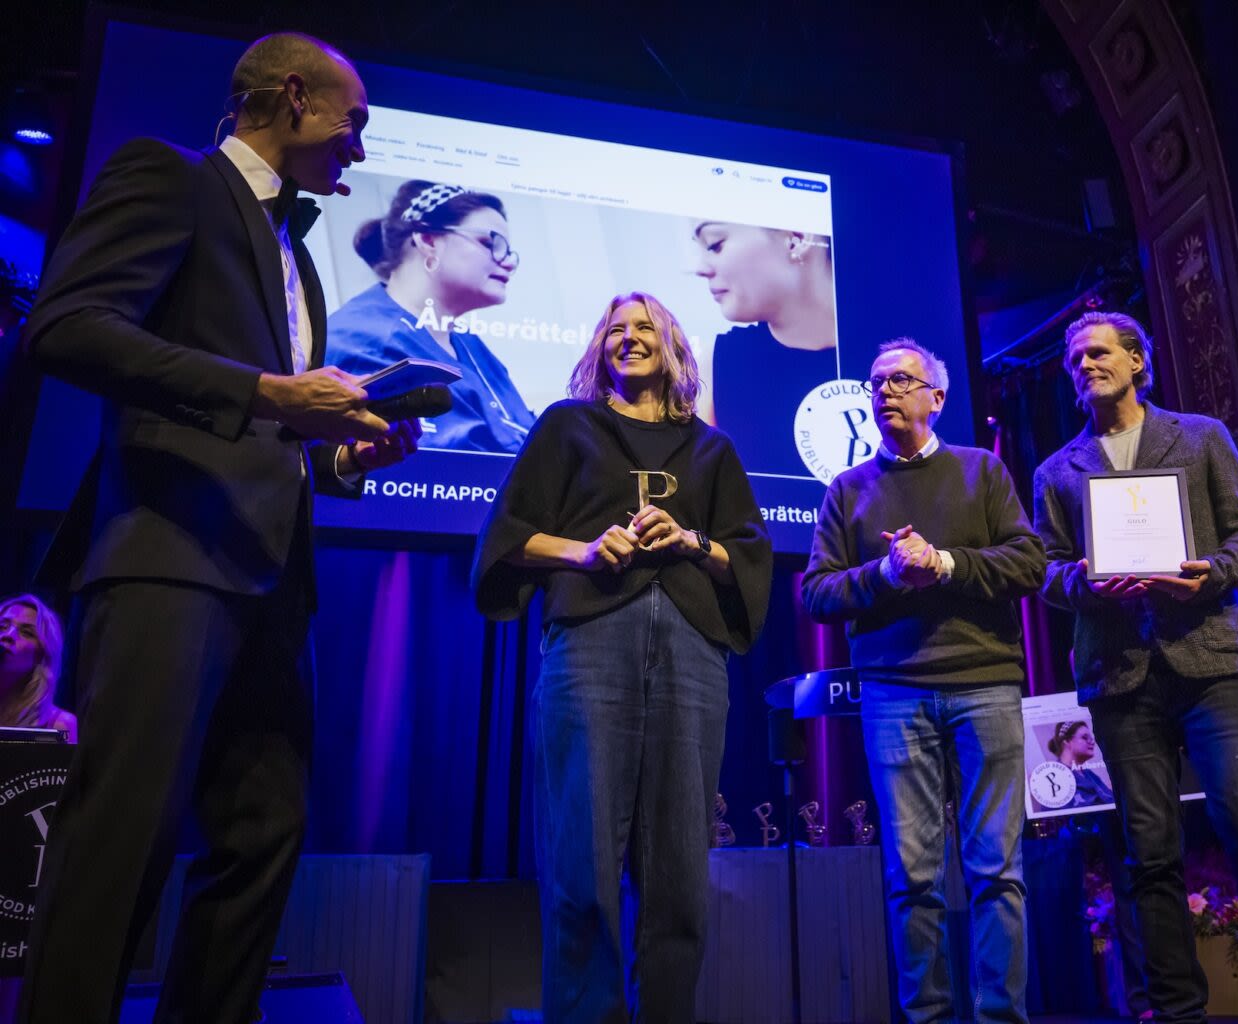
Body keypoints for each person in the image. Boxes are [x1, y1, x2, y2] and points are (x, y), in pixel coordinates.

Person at [19, 33, 421, 1023]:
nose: (359, 154)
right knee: (123, 834)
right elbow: (66, 325)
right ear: (292, 97)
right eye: (353, 125)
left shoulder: (302, 260)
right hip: (168, 556)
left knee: (262, 835)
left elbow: (271, 429)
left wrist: (341, 457)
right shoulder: (172, 178)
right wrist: (269, 390)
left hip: (272, 579)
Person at [472, 291, 772, 1023]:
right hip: (591, 648)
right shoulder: (567, 426)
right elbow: (508, 535)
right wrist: (584, 549)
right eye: (616, 329)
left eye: (646, 329)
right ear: (599, 347)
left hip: (693, 659)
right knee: (583, 870)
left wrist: (692, 541)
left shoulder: (711, 448)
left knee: (679, 879)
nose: (629, 338)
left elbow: (747, 556)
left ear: (673, 348)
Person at [1031, 311, 1238, 1023]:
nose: (1083, 365)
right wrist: (1084, 584)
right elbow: (1046, 572)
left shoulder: (1201, 436)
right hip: (1121, 674)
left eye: (1097, 353)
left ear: (1136, 362)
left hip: (1212, 658)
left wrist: (1210, 574)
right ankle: (1179, 1010)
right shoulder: (1057, 469)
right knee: (1148, 850)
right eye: (1073, 359)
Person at [802, 339, 1046, 1024]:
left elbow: (1027, 565)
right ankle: (929, 1018)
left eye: (900, 380)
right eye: (874, 382)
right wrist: (884, 574)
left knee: (996, 870)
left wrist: (942, 563)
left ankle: (1000, 1018)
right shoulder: (847, 490)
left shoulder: (982, 471)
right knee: (912, 876)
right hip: (892, 694)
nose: (883, 391)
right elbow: (817, 594)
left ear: (936, 397)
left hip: (985, 687)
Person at [328, 179, 537, 453]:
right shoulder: (365, 340)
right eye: (490, 242)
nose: (508, 262)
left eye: (508, 251)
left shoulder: (469, 345)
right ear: (427, 240)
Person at [692, 219, 835, 474]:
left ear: (796, 239)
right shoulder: (716, 364)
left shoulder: (894, 352)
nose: (700, 269)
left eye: (715, 245)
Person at [0, 594, 77, 741]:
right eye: (2, 626)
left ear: (41, 656)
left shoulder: (59, 724)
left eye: (27, 632)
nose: (8, 635)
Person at [1047, 720, 1114, 808]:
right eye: (1085, 737)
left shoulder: (1089, 773)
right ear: (1067, 741)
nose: (1092, 742)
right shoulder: (1056, 776)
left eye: (1091, 738)